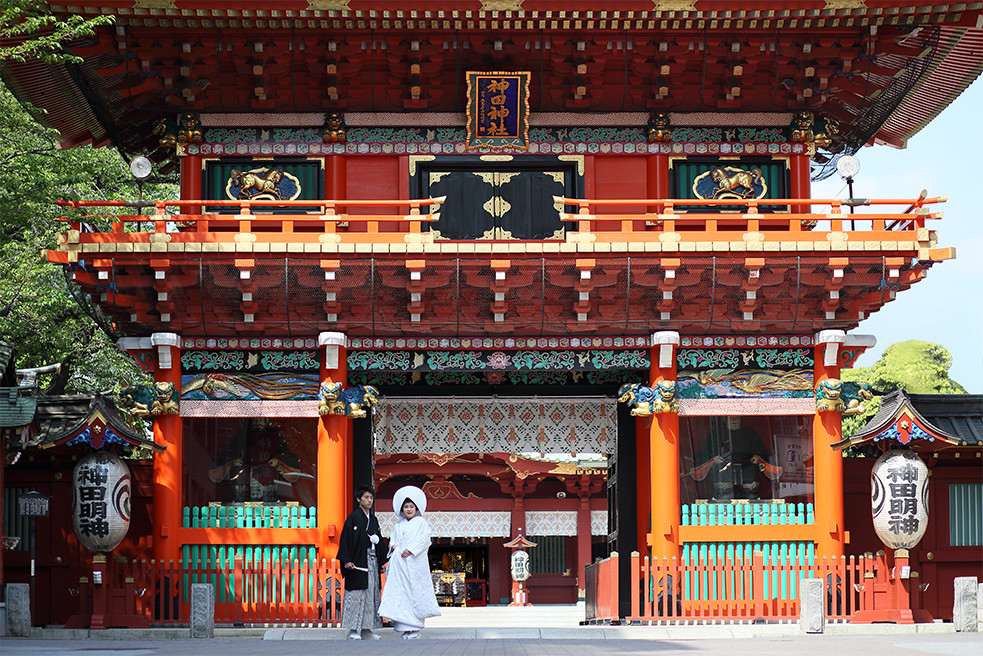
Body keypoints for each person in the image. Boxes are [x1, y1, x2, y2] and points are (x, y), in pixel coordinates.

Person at [377, 485, 441, 639]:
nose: (409, 509)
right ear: (402, 509)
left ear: (416, 507)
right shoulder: (399, 524)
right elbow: (393, 539)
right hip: (400, 564)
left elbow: (425, 540)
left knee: (414, 593)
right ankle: (405, 628)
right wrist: (394, 546)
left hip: (415, 563)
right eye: (406, 507)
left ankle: (415, 628)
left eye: (411, 506)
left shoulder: (421, 523)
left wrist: (411, 550)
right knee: (402, 594)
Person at [337, 486, 388, 640]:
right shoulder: (353, 517)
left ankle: (367, 629)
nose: (369, 500)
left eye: (371, 498)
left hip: (371, 561)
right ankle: (353, 629)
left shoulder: (373, 520)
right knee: (356, 595)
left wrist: (380, 560)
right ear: (359, 499)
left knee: (371, 595)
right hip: (358, 561)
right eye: (366, 497)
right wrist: (347, 560)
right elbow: (346, 539)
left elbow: (378, 540)